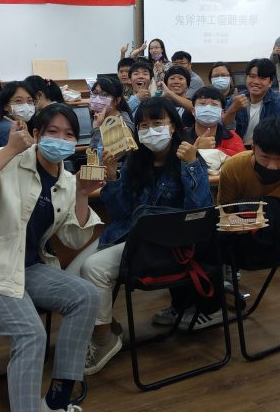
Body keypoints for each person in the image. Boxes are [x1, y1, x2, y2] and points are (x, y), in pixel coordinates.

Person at [0, 104, 103, 412]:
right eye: (52, 132)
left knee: (86, 295)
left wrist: (82, 195)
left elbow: (74, 239)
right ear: (36, 134)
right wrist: (9, 149)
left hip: (29, 269)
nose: (60, 140)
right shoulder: (10, 159)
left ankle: (58, 400)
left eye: (69, 134)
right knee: (31, 334)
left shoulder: (67, 180)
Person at [67, 97, 212, 375]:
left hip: (166, 245)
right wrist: (112, 178)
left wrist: (192, 165)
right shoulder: (136, 161)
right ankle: (106, 324)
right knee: (71, 280)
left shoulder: (189, 160)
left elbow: (197, 214)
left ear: (172, 126)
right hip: (128, 235)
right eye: (143, 125)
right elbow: (121, 213)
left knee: (93, 269)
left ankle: (103, 339)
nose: (150, 130)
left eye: (157, 123)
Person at [172, 117, 280, 328]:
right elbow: (223, 215)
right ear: (253, 147)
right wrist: (235, 225)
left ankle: (207, 307)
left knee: (271, 207)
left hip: (274, 247)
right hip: (235, 242)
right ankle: (188, 306)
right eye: (265, 157)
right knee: (195, 238)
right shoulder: (235, 166)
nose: (272, 166)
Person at [223, 58, 280, 145]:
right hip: (236, 147)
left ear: (270, 82)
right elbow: (225, 127)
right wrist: (233, 108)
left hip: (264, 148)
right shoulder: (237, 98)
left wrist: (253, 143)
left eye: (262, 78)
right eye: (252, 76)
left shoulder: (278, 101)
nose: (256, 81)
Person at [188, 86, 245, 156]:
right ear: (193, 111)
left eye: (214, 105)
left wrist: (205, 151)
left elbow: (238, 159)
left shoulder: (232, 137)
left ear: (222, 113)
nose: (208, 108)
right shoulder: (182, 135)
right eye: (202, 104)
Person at [88, 76, 134, 150]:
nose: (97, 98)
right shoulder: (98, 117)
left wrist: (97, 129)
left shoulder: (124, 124)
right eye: (95, 93)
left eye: (104, 95)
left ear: (116, 100)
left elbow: (99, 153)